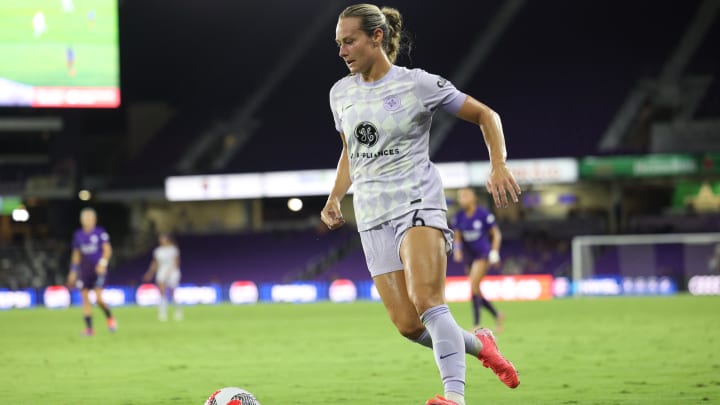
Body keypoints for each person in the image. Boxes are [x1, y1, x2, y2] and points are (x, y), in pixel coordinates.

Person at [321, 4, 522, 405]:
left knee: (429, 302)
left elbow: (486, 114)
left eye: (350, 41)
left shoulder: (418, 84)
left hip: (417, 201)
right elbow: (351, 152)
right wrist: (334, 196)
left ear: (376, 37)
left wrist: (497, 163)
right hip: (372, 214)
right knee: (408, 326)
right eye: (339, 43)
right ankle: (482, 346)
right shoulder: (340, 93)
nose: (342, 51)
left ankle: (454, 397)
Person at [453, 187, 505, 331]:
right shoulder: (458, 217)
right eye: (460, 196)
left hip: (483, 255)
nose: (462, 198)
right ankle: (497, 314)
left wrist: (494, 252)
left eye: (465, 195)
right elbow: (457, 236)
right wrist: (457, 250)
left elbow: (496, 234)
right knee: (476, 290)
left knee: (474, 285)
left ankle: (476, 325)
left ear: (473, 198)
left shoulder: (483, 214)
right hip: (469, 257)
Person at [66, 208, 116, 335]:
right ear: (81, 220)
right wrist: (73, 271)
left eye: (90, 218)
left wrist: (103, 263)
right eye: (85, 218)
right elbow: (76, 254)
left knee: (98, 299)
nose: (87, 220)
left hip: (98, 271)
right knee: (85, 298)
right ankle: (89, 329)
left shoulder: (100, 233)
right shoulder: (78, 235)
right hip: (84, 271)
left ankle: (110, 317)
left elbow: (107, 250)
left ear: (94, 220)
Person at [143, 234, 182, 321]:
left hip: (172, 272)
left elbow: (176, 262)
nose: (161, 241)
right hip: (162, 272)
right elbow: (155, 263)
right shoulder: (158, 251)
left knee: (173, 293)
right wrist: (150, 273)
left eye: (163, 239)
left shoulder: (173, 250)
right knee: (162, 293)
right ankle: (162, 312)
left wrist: (170, 271)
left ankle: (177, 310)